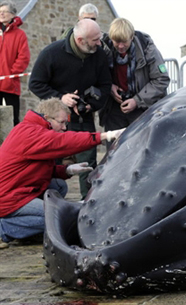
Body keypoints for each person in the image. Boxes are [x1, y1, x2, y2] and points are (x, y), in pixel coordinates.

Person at [0, 98, 124, 249]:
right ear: (47, 119)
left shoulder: (32, 128)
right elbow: (63, 142)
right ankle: (4, 229)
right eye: (62, 122)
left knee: (59, 186)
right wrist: (105, 136)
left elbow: (36, 168)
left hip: (19, 189)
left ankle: (26, 222)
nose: (65, 128)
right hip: (8, 197)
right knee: (59, 220)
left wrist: (67, 170)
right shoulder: (30, 133)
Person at [29, 19, 111, 199]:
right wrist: (61, 98)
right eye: (95, 40)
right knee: (51, 164)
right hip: (54, 120)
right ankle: (47, 203)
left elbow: (105, 85)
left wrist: (92, 105)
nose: (100, 43)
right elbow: (35, 83)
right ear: (81, 40)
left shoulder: (99, 55)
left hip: (84, 117)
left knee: (88, 165)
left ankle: (88, 203)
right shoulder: (51, 53)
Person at [100, 17, 170, 147]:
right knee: (113, 150)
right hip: (113, 109)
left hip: (142, 108)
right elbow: (95, 75)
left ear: (131, 37)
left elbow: (161, 79)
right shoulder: (103, 49)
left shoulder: (148, 50)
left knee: (141, 149)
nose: (120, 46)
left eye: (124, 42)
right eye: (116, 42)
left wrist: (137, 101)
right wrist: (109, 87)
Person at [0, 0, 30, 125]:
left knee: (13, 120)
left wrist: (11, 74)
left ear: (13, 14)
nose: (1, 14)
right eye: (0, 12)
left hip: (10, 85)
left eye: (4, 12)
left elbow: (24, 57)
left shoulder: (20, 35)